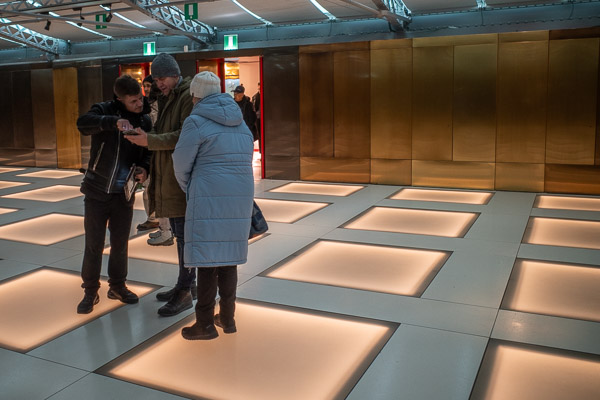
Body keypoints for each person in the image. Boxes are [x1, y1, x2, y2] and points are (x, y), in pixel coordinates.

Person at [173, 71, 254, 340]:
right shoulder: (240, 121)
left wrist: (192, 188)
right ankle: (228, 319)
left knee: (207, 261)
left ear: (195, 95)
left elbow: (181, 164)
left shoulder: (195, 121)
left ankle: (205, 323)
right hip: (240, 196)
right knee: (229, 260)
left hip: (208, 194)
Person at [124, 53, 196, 317]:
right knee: (180, 236)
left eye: (162, 78)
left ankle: (186, 291)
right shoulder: (169, 97)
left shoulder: (187, 97)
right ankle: (185, 284)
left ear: (175, 74)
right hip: (171, 175)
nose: (159, 83)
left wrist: (149, 141)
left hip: (180, 178)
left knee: (186, 239)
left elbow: (184, 136)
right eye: (156, 79)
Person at [76, 74, 151, 314]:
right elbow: (83, 123)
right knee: (93, 244)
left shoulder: (144, 119)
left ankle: (117, 286)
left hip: (123, 193)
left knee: (120, 244)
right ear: (119, 99)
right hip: (96, 190)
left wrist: (145, 169)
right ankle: (90, 291)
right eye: (133, 101)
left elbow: (148, 151)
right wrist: (112, 122)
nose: (139, 104)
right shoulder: (104, 110)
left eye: (140, 98)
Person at [251, 82, 261, 152]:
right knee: (259, 134)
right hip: (257, 118)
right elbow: (253, 108)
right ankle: (261, 151)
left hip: (265, 118)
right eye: (259, 85)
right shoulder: (255, 97)